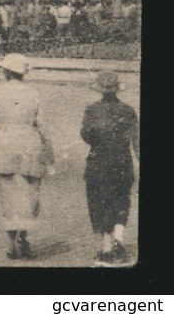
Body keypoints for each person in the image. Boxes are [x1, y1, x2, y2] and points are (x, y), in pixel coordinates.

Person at [0, 54, 54, 260]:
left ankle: (11, 244)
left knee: (9, 197)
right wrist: (50, 156)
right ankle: (23, 236)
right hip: (31, 146)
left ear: (6, 72)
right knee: (30, 196)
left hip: (5, 146)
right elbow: (43, 128)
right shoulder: (34, 94)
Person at [80, 70, 138, 265]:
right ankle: (119, 240)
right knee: (121, 198)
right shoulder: (128, 110)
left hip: (98, 161)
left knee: (99, 201)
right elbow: (137, 140)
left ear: (99, 90)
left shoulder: (92, 110)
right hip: (122, 160)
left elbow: (86, 136)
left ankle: (106, 247)